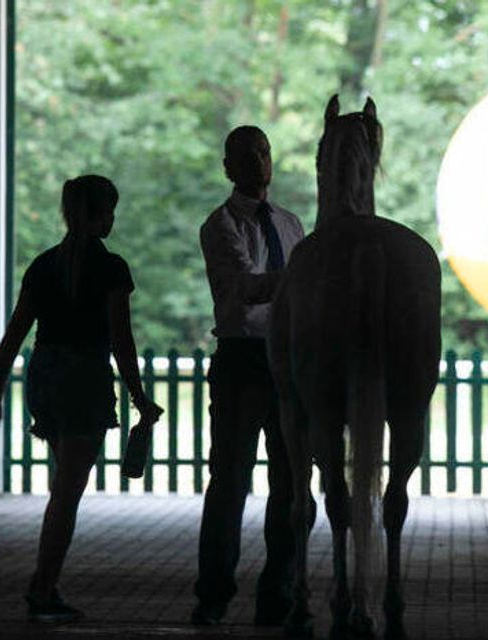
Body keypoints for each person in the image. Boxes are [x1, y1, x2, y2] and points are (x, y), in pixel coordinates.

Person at [0, 174, 163, 624]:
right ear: (100, 215)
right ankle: (42, 587)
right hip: (84, 379)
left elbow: (13, 339)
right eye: (110, 210)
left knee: (63, 487)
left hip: (45, 377)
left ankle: (45, 584)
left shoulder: (43, 266)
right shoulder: (112, 269)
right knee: (66, 494)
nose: (112, 218)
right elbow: (122, 340)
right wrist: (139, 398)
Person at [192, 126, 314, 626]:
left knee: (290, 481)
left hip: (286, 357)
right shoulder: (220, 225)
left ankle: (278, 590)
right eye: (244, 155)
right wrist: (307, 275)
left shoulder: (290, 223)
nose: (256, 161)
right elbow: (243, 287)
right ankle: (215, 593)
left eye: (262, 151)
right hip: (242, 358)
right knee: (229, 481)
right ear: (228, 167)